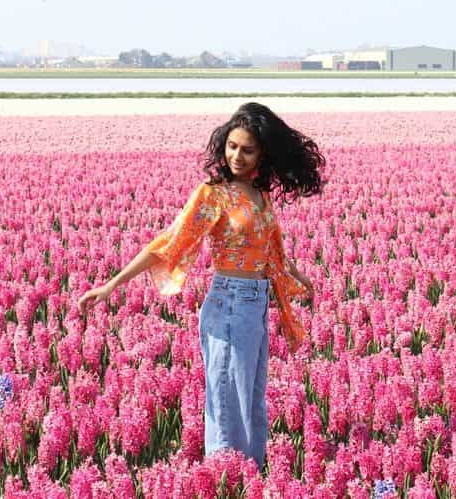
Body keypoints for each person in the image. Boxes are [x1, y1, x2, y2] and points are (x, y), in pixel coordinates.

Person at [77, 102, 325, 468]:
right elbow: (169, 243)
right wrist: (112, 285)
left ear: (264, 154)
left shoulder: (259, 194)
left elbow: (266, 245)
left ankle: (249, 479)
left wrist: (296, 274)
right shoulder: (214, 195)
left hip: (255, 305)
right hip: (229, 305)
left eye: (247, 149)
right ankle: (224, 475)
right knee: (226, 401)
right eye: (232, 146)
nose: (237, 156)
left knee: (253, 401)